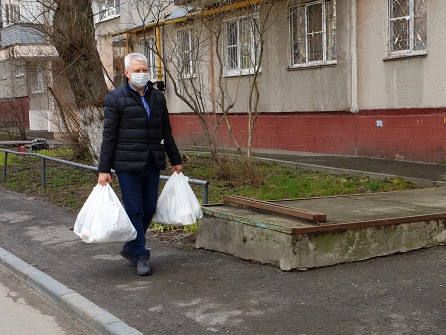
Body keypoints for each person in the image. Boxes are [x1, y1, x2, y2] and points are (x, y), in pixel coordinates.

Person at [97, 53, 182, 276]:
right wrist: (103, 169)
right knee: (134, 210)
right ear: (126, 73)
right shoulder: (115, 98)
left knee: (148, 209)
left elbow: (166, 131)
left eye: (144, 70)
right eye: (137, 70)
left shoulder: (157, 98)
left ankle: (130, 246)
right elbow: (109, 136)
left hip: (152, 161)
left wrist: (176, 160)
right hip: (126, 165)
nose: (142, 74)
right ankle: (141, 255)